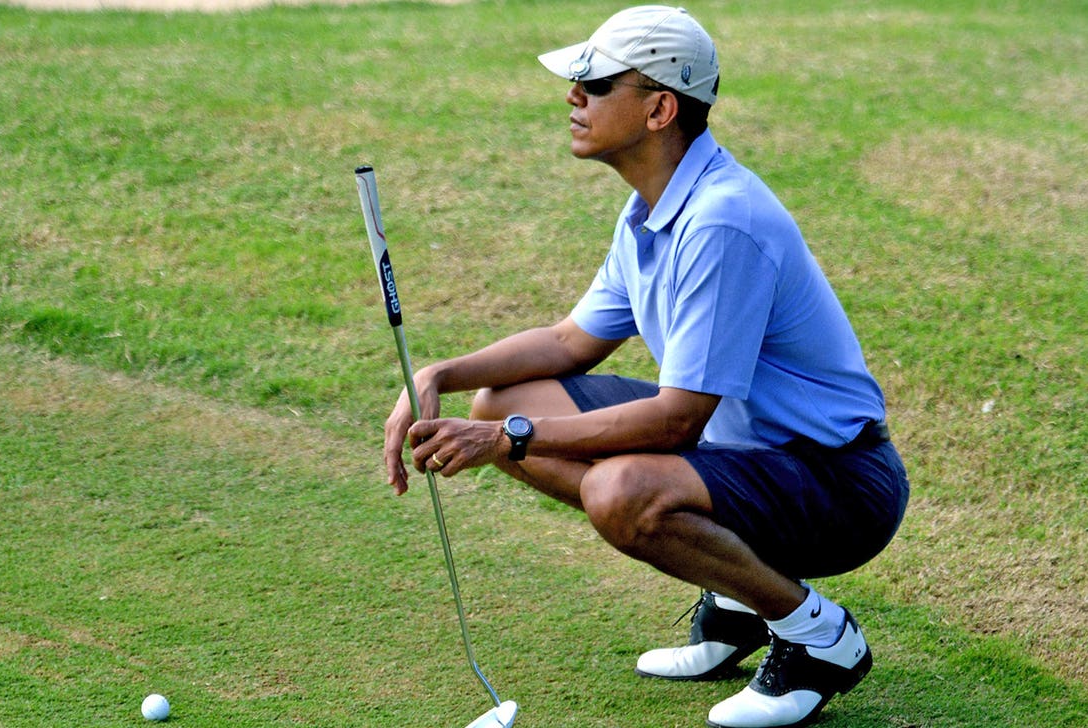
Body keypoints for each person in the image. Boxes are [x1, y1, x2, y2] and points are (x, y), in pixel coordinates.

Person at [380, 6, 910, 728]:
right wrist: (443, 372)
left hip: (839, 482)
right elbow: (570, 343)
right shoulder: (651, 207)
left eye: (593, 83)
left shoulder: (721, 219)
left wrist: (509, 439)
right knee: (499, 396)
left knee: (621, 490)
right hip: (746, 451)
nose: (573, 96)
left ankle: (818, 637)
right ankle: (737, 602)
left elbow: (676, 419)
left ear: (659, 107)